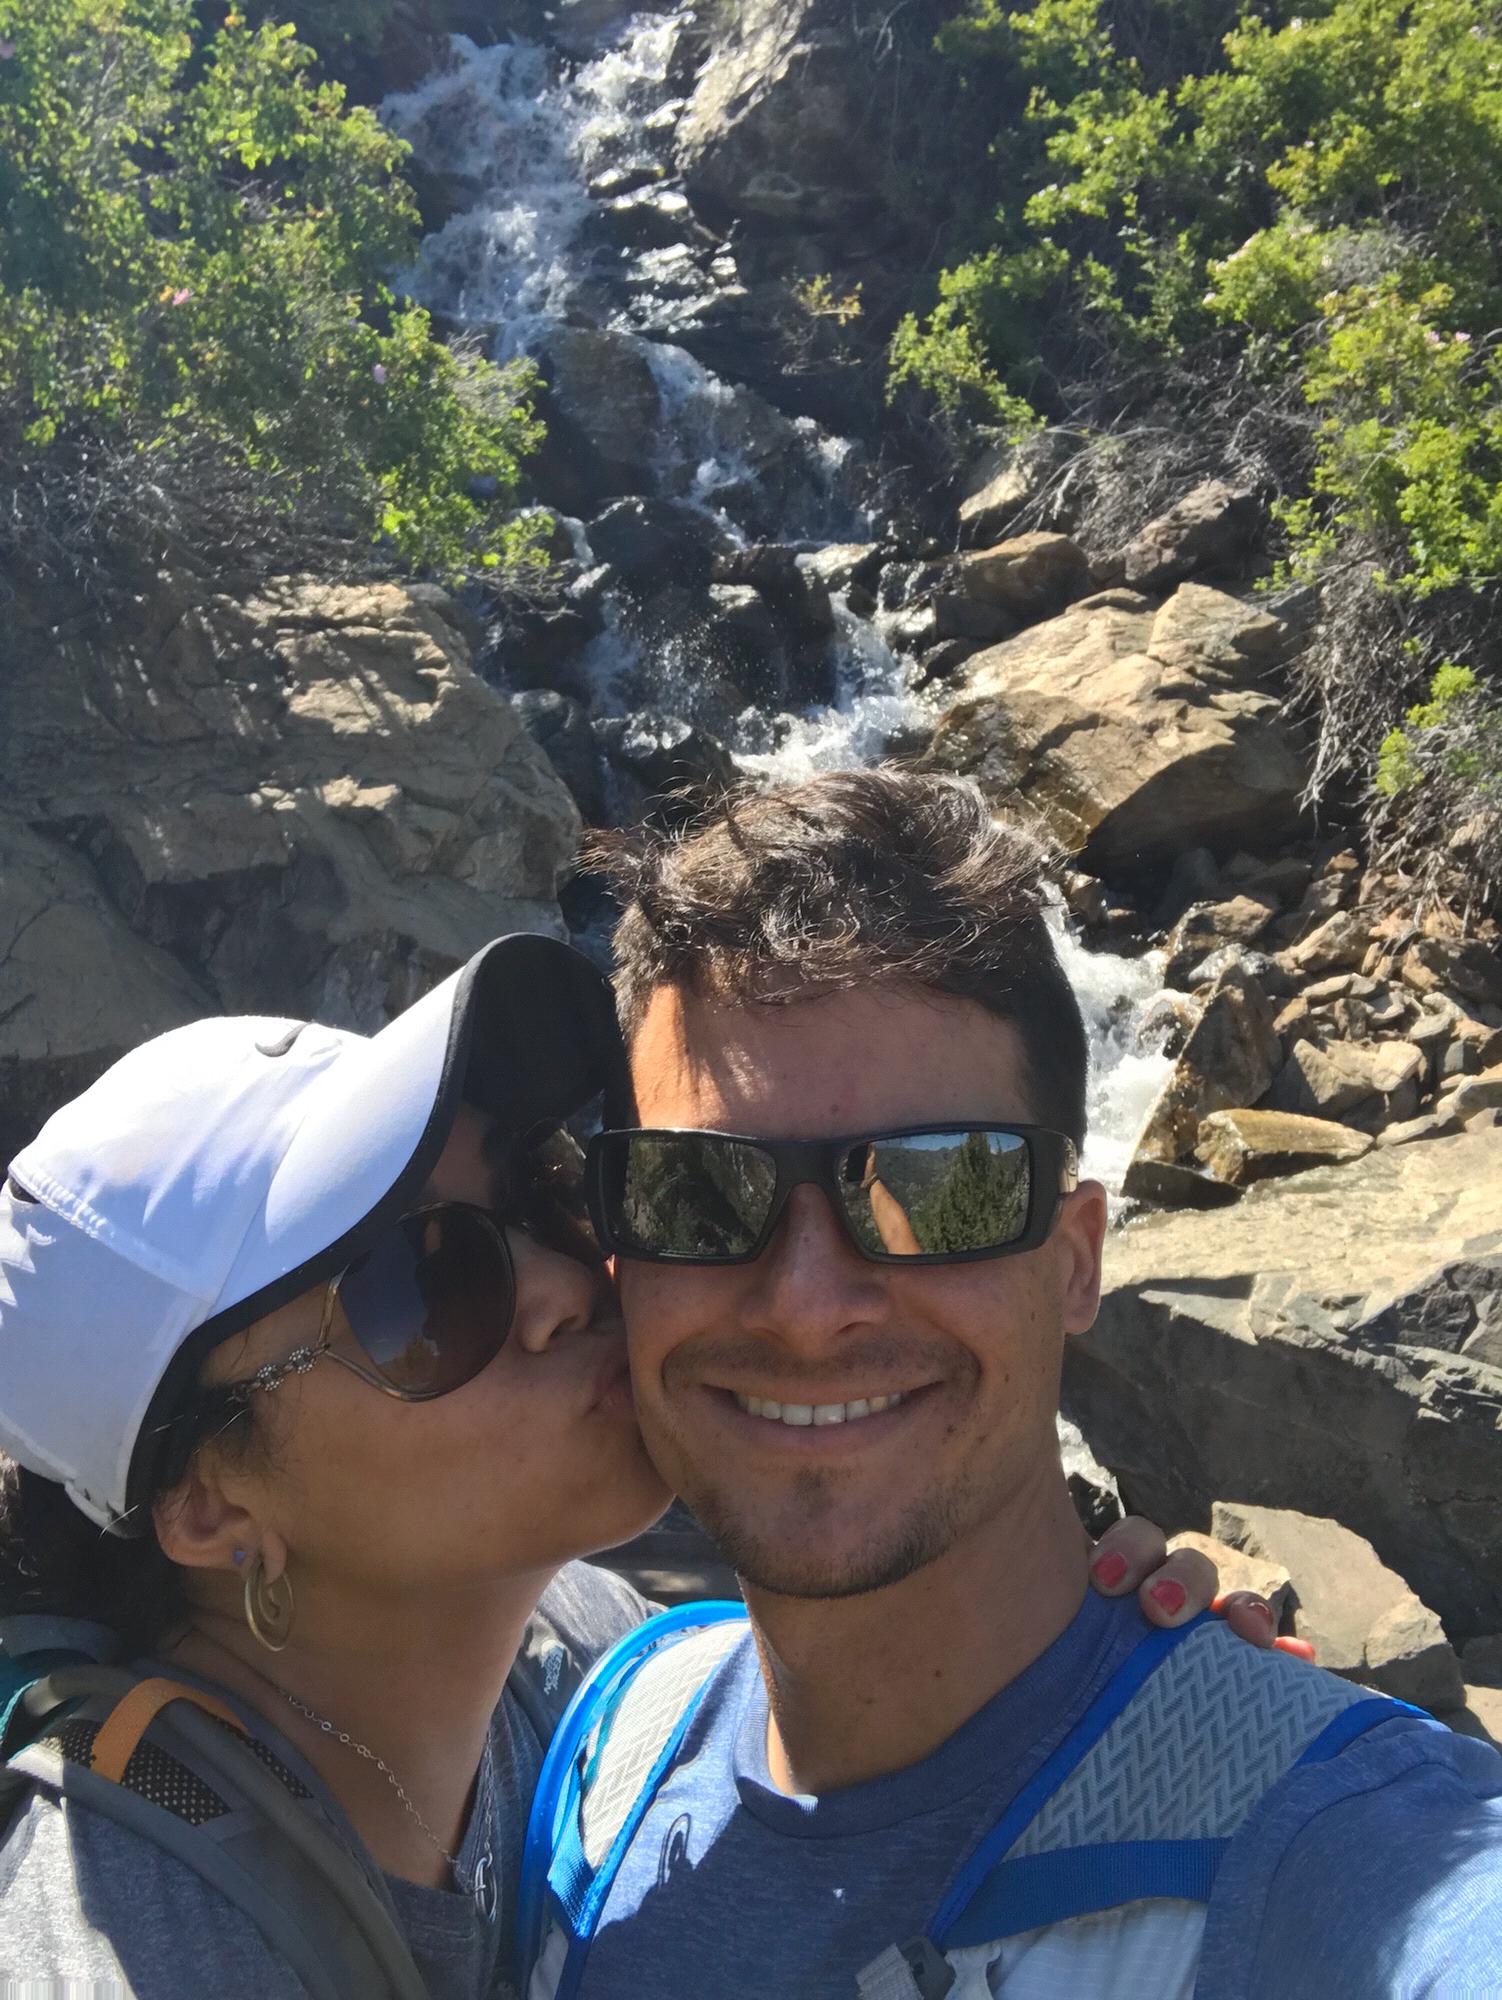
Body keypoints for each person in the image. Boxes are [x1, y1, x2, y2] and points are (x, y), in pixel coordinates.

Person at [0, 928, 1237, 1998]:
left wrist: (1096, 1629)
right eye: (425, 1285)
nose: (559, 1288)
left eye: (540, 1199)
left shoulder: (567, 1663)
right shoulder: (138, 1949)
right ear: (213, 1502)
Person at [521, 768, 1502, 2000]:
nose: (806, 1306)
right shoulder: (587, 1734)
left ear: (1077, 1256)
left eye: (943, 1186)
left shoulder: (1337, 1850)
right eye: (699, 1193)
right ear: (615, 1256)